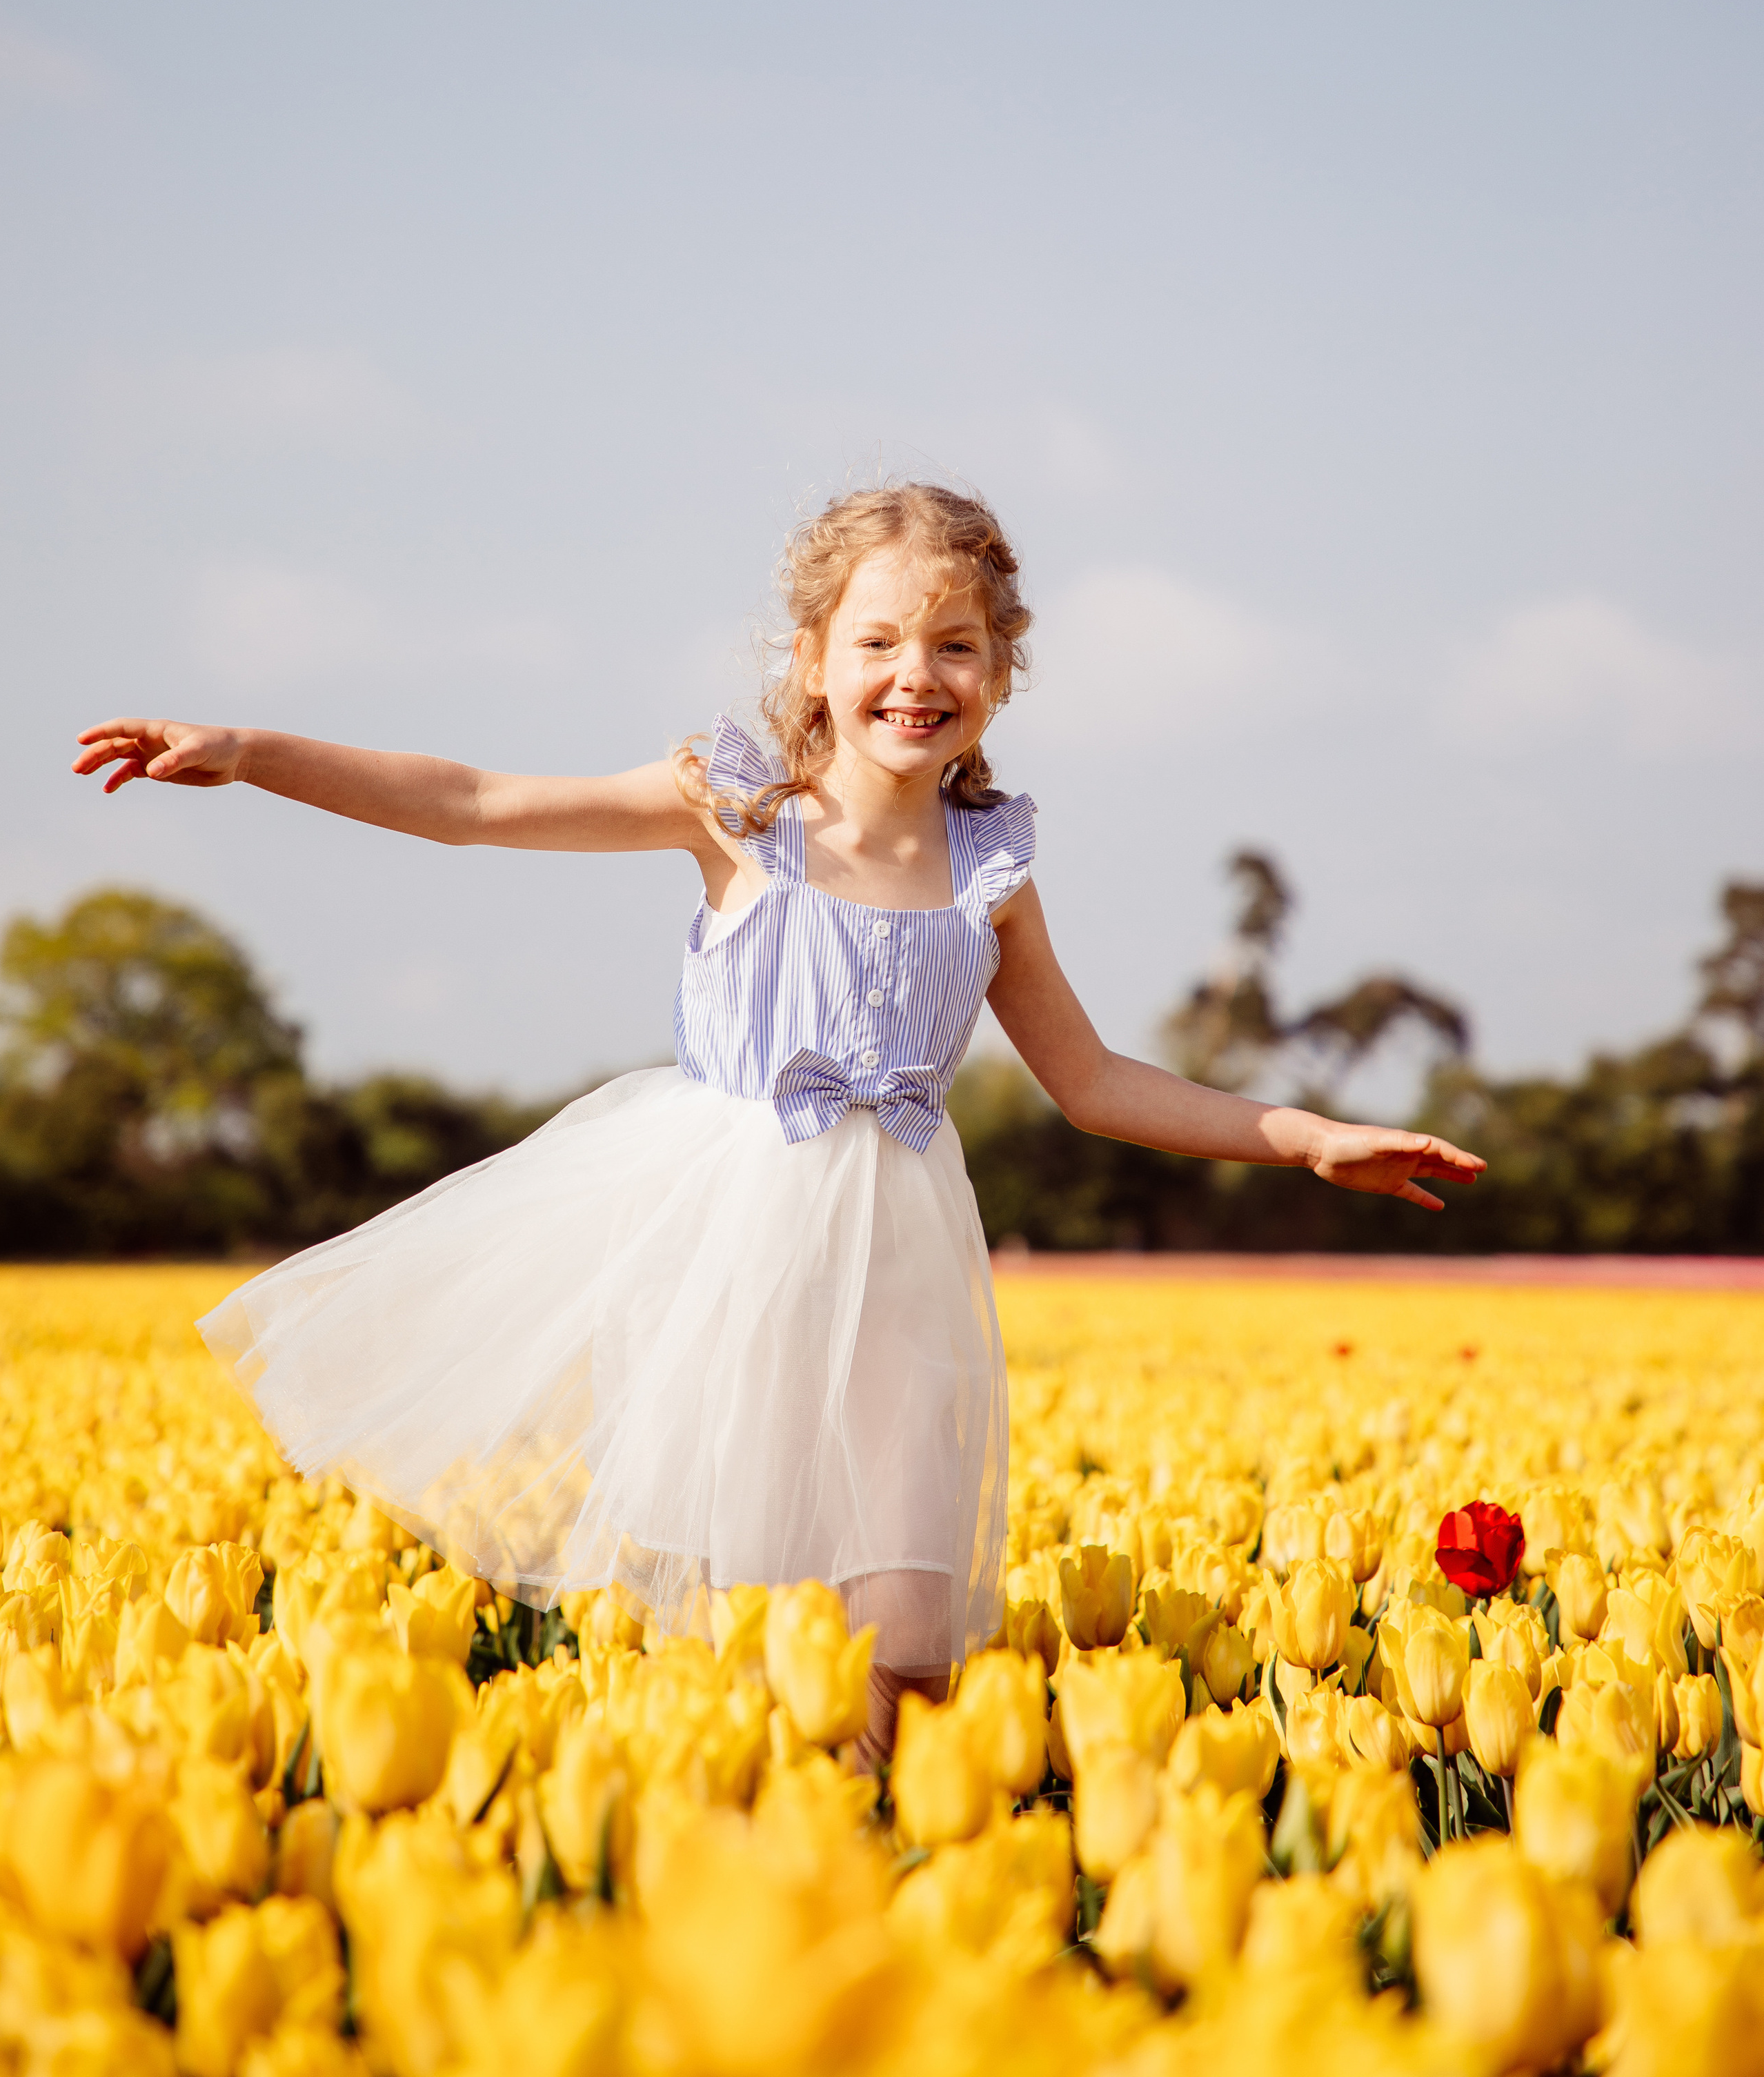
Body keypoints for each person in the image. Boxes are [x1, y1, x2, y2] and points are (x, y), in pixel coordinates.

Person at [73, 481, 1483, 1756]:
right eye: (876, 642)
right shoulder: (735, 809)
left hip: (901, 1270)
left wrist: (1301, 1136)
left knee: (915, 1651)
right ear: (812, 657)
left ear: (998, 673)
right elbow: (476, 801)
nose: (912, 677)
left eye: (952, 647)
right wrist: (250, 749)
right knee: (772, 1656)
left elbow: (1093, 1081)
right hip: (730, 1255)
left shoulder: (991, 867)